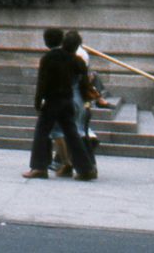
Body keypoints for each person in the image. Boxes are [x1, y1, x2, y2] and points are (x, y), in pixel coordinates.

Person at [23, 27, 98, 181]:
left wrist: (38, 102)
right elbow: (83, 78)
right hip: (68, 100)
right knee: (72, 135)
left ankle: (39, 167)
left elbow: (42, 83)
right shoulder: (74, 59)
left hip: (52, 101)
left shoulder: (48, 58)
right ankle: (86, 169)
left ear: (47, 41)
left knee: (42, 133)